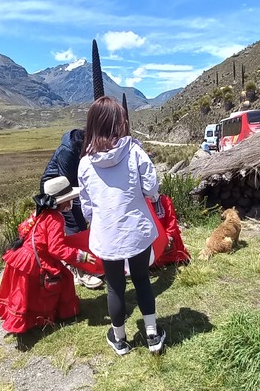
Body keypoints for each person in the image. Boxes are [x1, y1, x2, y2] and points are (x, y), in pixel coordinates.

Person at [78, 96, 166, 356]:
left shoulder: (85, 163)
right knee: (141, 280)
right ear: (119, 123)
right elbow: (151, 188)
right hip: (135, 230)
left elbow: (86, 206)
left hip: (107, 234)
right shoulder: (134, 151)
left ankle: (119, 339)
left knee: (114, 285)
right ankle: (152, 335)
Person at [0, 176, 98, 334]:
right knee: (62, 280)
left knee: (25, 292)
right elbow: (56, 248)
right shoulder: (55, 219)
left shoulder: (40, 213)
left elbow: (23, 229)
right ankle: (50, 315)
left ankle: (29, 319)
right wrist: (82, 256)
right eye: (68, 200)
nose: (70, 204)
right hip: (35, 261)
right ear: (60, 202)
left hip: (22, 257)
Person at [40, 129, 103, 290]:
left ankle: (79, 265)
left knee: (79, 225)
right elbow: (67, 183)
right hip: (58, 192)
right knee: (75, 226)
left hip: (71, 189)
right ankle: (80, 271)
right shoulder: (67, 152)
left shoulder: (86, 145)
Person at [152, 194, 190, 267]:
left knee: (174, 235)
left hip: (168, 233)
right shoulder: (143, 204)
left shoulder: (165, 200)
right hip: (154, 236)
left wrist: (169, 235)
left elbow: (171, 219)